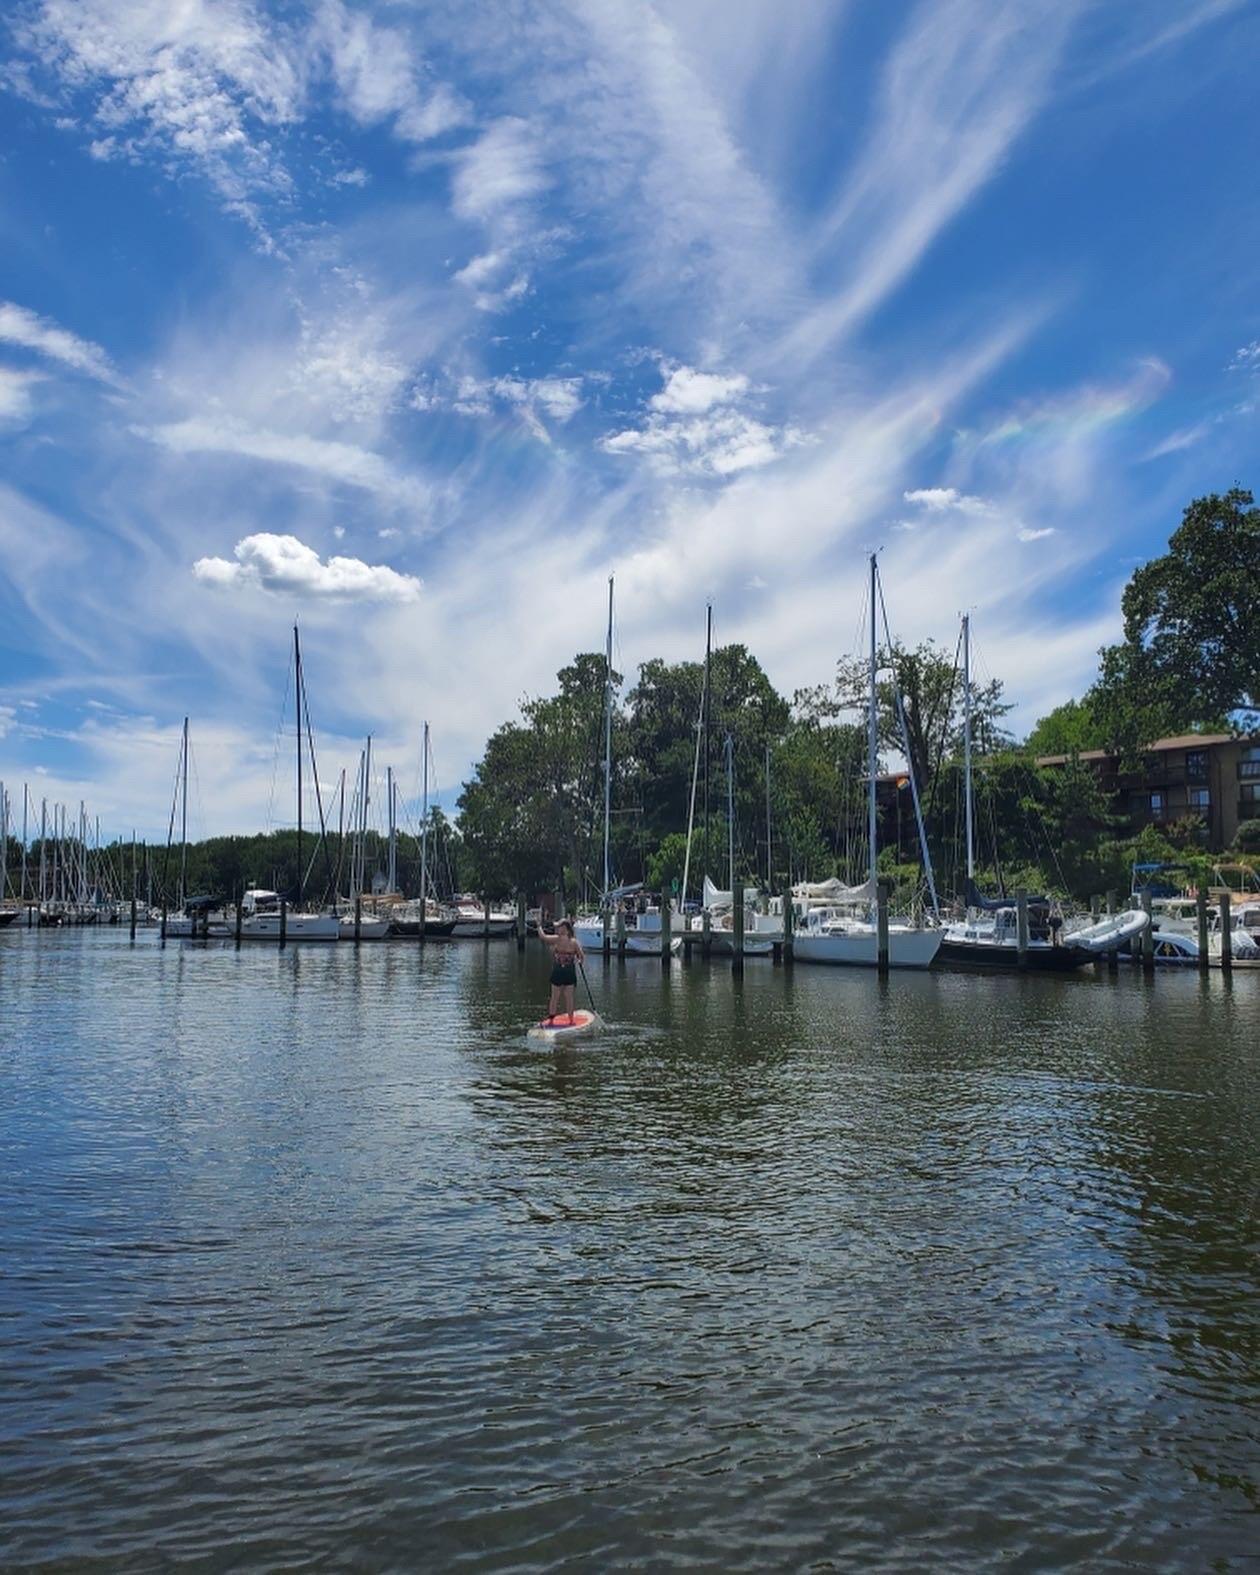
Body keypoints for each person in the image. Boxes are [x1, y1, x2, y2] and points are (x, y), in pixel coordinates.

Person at [540, 919, 585, 1024]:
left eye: (560, 927)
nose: (558, 929)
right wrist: (579, 961)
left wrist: (539, 926)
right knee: (568, 997)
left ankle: (551, 1021)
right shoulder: (574, 942)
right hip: (569, 971)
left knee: (555, 997)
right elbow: (581, 957)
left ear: (565, 929)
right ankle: (571, 1021)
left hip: (558, 971)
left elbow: (543, 937)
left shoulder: (557, 939)